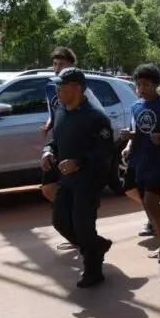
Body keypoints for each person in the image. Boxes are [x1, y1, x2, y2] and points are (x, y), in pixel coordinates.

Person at [41, 67, 115, 288]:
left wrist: (79, 163)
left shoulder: (96, 117)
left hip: (89, 180)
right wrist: (48, 151)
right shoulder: (62, 112)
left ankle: (93, 270)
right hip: (66, 179)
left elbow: (105, 152)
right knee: (60, 221)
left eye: (61, 87)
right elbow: (56, 140)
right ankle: (96, 246)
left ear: (77, 89)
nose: (58, 91)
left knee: (83, 226)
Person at [122, 64, 160, 264]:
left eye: (146, 84)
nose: (141, 88)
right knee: (147, 202)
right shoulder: (136, 107)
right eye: (138, 84)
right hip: (141, 161)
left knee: (151, 201)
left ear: (155, 84)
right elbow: (136, 133)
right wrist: (129, 142)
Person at [41, 47, 104, 207]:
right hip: (60, 141)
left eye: (61, 64)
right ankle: (69, 209)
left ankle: (78, 210)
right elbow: (54, 111)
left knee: (79, 191)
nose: (57, 68)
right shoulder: (51, 87)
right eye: (55, 64)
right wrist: (49, 125)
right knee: (48, 186)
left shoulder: (82, 90)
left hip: (79, 147)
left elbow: (98, 114)